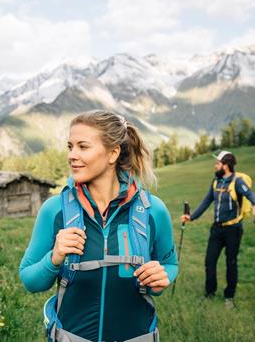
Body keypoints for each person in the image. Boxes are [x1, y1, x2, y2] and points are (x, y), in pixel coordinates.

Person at [19, 110, 178, 342]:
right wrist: (54, 257)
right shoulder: (55, 210)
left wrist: (160, 278)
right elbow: (30, 280)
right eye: (70, 146)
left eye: (83, 147)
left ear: (113, 153)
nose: (72, 155)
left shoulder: (153, 211)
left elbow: (170, 264)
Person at [180, 150, 255, 309]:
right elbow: (206, 201)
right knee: (209, 261)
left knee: (231, 263)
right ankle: (210, 293)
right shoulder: (216, 181)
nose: (215, 165)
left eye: (218, 163)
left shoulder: (237, 182)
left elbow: (251, 196)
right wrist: (191, 217)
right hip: (216, 230)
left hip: (233, 230)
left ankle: (229, 297)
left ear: (226, 166)